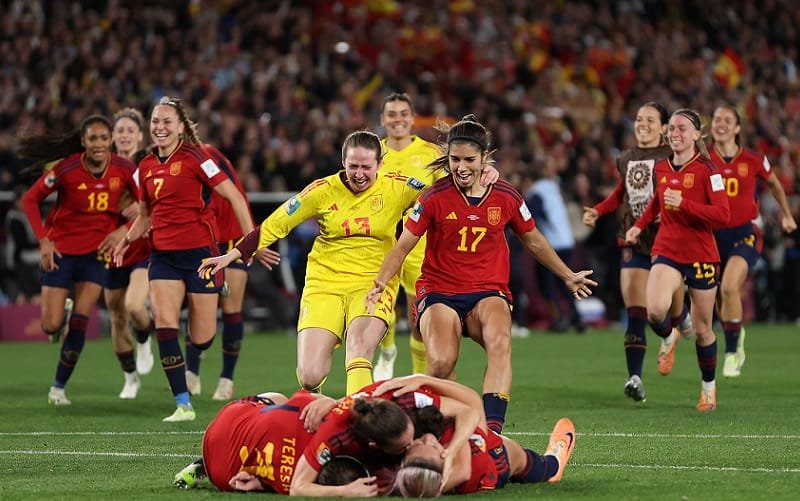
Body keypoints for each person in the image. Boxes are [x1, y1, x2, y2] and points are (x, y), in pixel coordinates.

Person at [366, 117, 596, 434]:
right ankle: (441, 425)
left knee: (500, 342)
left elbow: (533, 240)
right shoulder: (433, 197)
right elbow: (402, 246)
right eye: (455, 160)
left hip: (488, 291)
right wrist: (380, 282)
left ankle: (492, 432)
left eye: (469, 160)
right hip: (440, 291)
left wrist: (567, 275)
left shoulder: (506, 196)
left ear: (485, 157)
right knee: (441, 363)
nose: (461, 167)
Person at [197, 130, 425, 397]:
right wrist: (232, 255)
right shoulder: (322, 190)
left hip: (373, 283)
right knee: (309, 375)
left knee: (359, 348)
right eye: (353, 166)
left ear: (380, 164)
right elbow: (277, 222)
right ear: (343, 162)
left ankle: (358, 416)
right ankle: (316, 404)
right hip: (324, 283)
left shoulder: (399, 186)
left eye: (366, 167)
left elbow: (440, 197)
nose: (359, 174)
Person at [112, 97, 255, 422]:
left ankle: (200, 339)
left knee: (202, 338)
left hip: (201, 256)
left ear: (180, 127)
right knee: (165, 323)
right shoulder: (146, 166)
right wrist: (127, 239)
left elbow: (234, 196)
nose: (159, 127)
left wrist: (249, 243)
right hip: (163, 256)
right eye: (155, 121)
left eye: (167, 121)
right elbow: (145, 215)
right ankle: (182, 404)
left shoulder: (197, 158)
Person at [19, 115, 138, 405]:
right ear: (83, 141)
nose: (98, 144)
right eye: (92, 138)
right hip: (61, 253)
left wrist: (123, 230)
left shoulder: (125, 169)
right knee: (50, 326)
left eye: (103, 138)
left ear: (111, 140)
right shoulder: (66, 169)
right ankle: (62, 314)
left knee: (81, 322)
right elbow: (30, 200)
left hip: (96, 256)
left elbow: (149, 207)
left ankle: (58, 388)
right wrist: (44, 240)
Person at [582, 102, 696, 403]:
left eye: (650, 120)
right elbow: (622, 192)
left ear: (663, 127)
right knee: (635, 310)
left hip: (667, 240)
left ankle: (678, 320)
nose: (642, 124)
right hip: (633, 238)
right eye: (639, 118)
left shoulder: (673, 157)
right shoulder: (626, 158)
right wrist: (599, 210)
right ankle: (635, 377)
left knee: (667, 310)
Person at [625, 108, 730, 412]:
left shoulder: (709, 171)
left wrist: (685, 204)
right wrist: (639, 225)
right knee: (655, 310)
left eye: (682, 128)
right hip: (668, 249)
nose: (675, 133)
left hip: (701, 254)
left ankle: (708, 388)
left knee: (702, 330)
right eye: (671, 128)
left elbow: (723, 214)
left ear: (697, 134)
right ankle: (669, 335)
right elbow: (657, 201)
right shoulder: (661, 167)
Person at [709, 104, 797, 378]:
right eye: (717, 119)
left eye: (727, 120)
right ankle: (735, 330)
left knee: (729, 286)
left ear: (737, 128)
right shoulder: (702, 160)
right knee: (719, 295)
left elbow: (774, 184)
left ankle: (732, 351)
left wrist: (786, 215)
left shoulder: (753, 159)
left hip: (744, 234)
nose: (721, 124)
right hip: (710, 238)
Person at [377, 375, 576, 496]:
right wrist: (424, 379)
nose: (428, 438)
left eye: (417, 443)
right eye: (433, 447)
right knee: (516, 456)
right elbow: (471, 403)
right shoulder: (469, 465)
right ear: (446, 466)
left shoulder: (406, 473)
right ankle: (553, 465)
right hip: (495, 463)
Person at [374, 92, 443, 380]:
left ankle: (418, 381)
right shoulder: (372, 152)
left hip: (419, 247)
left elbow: (446, 195)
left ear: (413, 118)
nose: (398, 119)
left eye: (404, 113)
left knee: (418, 320)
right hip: (380, 244)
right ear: (383, 119)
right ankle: (387, 350)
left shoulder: (432, 154)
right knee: (378, 308)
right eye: (392, 114)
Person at [184, 143, 255, 401]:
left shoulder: (203, 156)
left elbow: (231, 195)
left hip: (231, 237)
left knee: (231, 307)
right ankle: (191, 373)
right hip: (206, 240)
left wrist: (250, 241)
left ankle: (226, 379)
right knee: (198, 305)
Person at [103, 107, 153, 400]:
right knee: (116, 316)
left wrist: (142, 209)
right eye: (119, 130)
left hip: (142, 249)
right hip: (112, 252)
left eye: (130, 130)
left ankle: (144, 338)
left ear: (139, 136)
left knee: (134, 306)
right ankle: (130, 378)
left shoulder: (147, 166)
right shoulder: (102, 168)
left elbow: (159, 203)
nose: (124, 135)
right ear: (112, 136)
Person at [526, 156, 584, 333]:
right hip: (566, 240)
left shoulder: (537, 191)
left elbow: (532, 219)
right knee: (566, 281)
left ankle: (559, 317)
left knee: (547, 285)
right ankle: (575, 317)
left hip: (551, 244)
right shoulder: (554, 187)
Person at [3, 185, 41, 303]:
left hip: (31, 253)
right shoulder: (14, 218)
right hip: (18, 258)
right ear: (17, 201)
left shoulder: (29, 215)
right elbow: (22, 243)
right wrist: (40, 245)